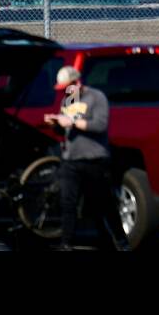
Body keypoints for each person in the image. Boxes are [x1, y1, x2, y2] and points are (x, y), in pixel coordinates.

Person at [45, 66, 129, 251]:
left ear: (77, 82)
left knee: (103, 204)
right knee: (68, 202)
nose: (66, 91)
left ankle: (120, 242)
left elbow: (99, 125)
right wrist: (56, 124)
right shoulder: (69, 99)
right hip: (71, 160)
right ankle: (66, 243)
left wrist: (73, 122)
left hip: (94, 160)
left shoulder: (96, 97)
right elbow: (65, 129)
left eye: (68, 86)